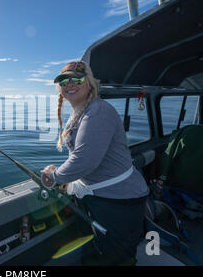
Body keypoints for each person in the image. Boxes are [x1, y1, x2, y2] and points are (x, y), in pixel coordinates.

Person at [40, 61, 150, 266]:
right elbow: (83, 155)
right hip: (108, 198)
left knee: (118, 259)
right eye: (64, 80)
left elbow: (83, 161)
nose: (70, 84)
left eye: (77, 79)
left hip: (119, 202)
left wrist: (54, 176)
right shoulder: (84, 110)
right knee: (106, 252)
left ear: (89, 83)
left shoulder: (97, 111)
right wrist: (64, 173)